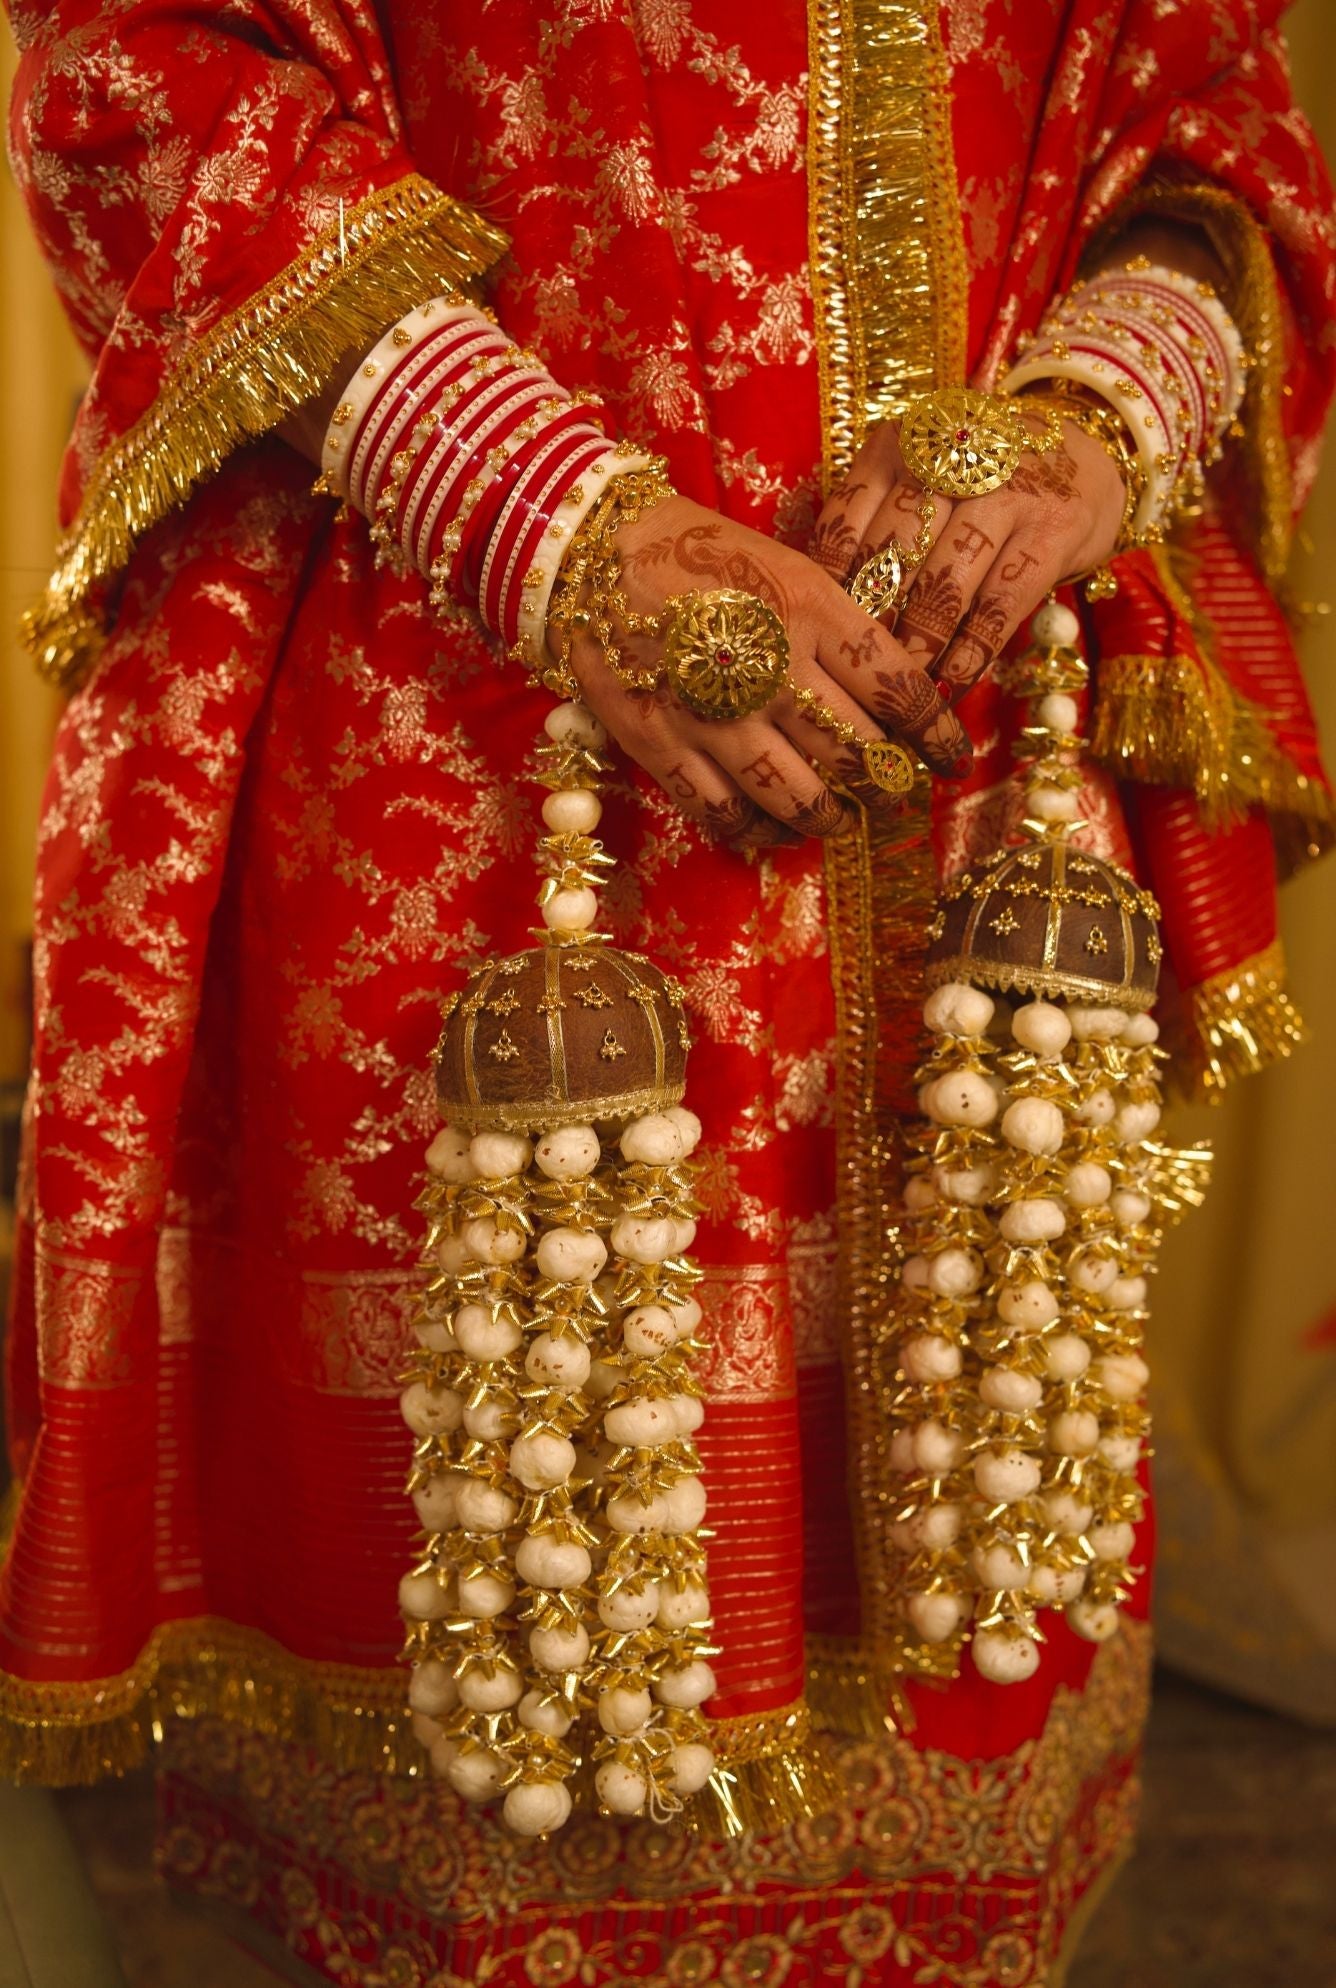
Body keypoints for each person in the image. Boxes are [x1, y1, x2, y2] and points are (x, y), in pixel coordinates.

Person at [1, 2, 1332, 1982]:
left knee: (991, 1586)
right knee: (498, 1689)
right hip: (474, 767)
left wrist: (1096, 425)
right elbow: (141, 74)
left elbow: (1210, 110)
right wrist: (543, 510)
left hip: (976, 802)